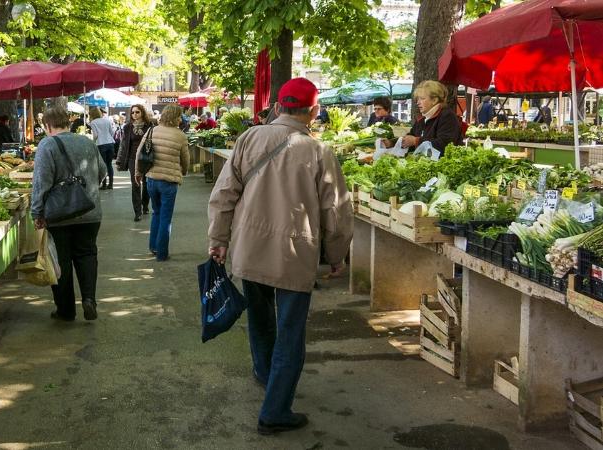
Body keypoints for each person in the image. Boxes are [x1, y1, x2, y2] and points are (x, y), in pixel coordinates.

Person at [207, 78, 353, 435]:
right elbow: (336, 211)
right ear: (314, 111)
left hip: (249, 247)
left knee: (259, 318)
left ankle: (264, 371)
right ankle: (275, 410)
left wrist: (218, 239)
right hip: (293, 253)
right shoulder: (319, 151)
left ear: (277, 107)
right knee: (290, 331)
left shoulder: (248, 138)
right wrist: (336, 256)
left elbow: (224, 193)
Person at [31, 104, 107, 322]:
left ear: (47, 125)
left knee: (60, 260)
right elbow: (101, 171)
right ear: (68, 122)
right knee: (87, 254)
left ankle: (65, 310)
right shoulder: (86, 142)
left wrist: (36, 213)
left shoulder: (47, 145)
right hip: (90, 210)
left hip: (59, 215)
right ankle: (89, 300)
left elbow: (41, 183)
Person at [134, 104, 189, 261]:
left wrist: (138, 173)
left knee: (156, 213)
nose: (181, 119)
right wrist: (183, 172)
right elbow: (185, 159)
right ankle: (162, 253)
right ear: (175, 117)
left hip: (151, 179)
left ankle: (153, 247)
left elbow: (140, 152)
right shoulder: (180, 136)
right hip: (169, 182)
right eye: (179, 116)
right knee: (166, 217)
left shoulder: (152, 130)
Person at [383, 80, 463, 156]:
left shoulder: (447, 116)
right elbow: (410, 137)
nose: (418, 102)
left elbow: (445, 144)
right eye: (417, 99)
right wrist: (391, 143)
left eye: (422, 99)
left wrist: (416, 141)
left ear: (434, 100)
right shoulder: (423, 119)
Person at [116, 104, 153, 222]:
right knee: (135, 184)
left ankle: (145, 205)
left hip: (146, 158)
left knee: (147, 184)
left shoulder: (150, 126)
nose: (134, 114)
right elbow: (123, 144)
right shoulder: (127, 127)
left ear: (142, 112)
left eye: (137, 112)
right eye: (132, 112)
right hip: (132, 159)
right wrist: (119, 160)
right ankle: (137, 212)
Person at [88, 107, 117, 190]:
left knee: (102, 165)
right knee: (109, 164)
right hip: (110, 143)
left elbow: (95, 135)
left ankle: (104, 184)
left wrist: (93, 142)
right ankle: (111, 184)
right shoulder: (107, 120)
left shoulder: (93, 122)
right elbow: (112, 132)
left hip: (100, 144)